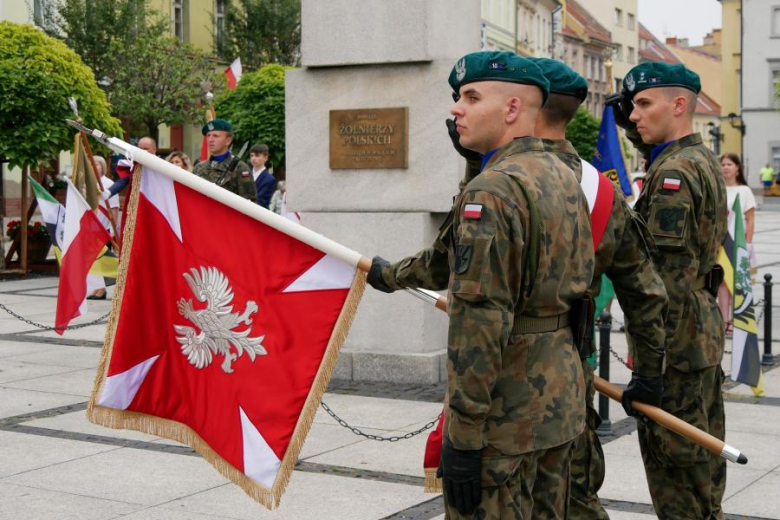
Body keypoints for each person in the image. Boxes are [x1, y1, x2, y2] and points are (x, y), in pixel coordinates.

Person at [373, 51, 595, 518]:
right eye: (459, 97)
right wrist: (389, 275)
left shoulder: (493, 191)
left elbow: (479, 324)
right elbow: (444, 261)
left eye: (472, 97)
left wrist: (465, 437)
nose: (456, 109)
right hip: (560, 403)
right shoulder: (563, 174)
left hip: (505, 415)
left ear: (512, 109)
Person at [530, 57, 668, 519]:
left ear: (526, 106)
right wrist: (648, 373)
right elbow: (644, 290)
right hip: (573, 370)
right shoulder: (601, 188)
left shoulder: (505, 184)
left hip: (509, 383)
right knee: (575, 495)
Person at [612, 61, 728, 520]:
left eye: (642, 104)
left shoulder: (674, 175)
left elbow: (666, 285)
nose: (633, 115)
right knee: (701, 464)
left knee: (677, 472)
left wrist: (651, 369)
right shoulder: (698, 159)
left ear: (678, 105)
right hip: (697, 334)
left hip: (676, 344)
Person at [718, 153, 757, 334]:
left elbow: (750, 219)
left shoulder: (744, 190)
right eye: (723, 164)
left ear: (737, 168)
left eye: (729, 164)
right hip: (720, 241)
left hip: (737, 240)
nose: (725, 167)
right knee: (722, 282)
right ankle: (724, 321)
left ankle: (736, 318)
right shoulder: (717, 189)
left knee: (737, 281)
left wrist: (748, 244)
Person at [191, 119, 256, 202]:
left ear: (228, 140)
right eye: (208, 135)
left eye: (215, 136)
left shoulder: (239, 168)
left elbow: (250, 204)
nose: (210, 140)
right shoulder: (199, 168)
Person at [89, 155, 120, 300]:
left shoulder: (108, 183)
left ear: (103, 166)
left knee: (102, 257)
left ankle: (102, 288)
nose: (95, 166)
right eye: (92, 163)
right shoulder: (87, 184)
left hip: (104, 227)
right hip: (90, 227)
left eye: (98, 164)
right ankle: (96, 287)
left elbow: (113, 207)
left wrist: (113, 228)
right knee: (92, 259)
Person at [249, 144, 277, 209]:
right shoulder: (246, 173)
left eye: (257, 155)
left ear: (265, 158)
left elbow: (261, 201)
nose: (253, 158)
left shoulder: (270, 179)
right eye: (251, 155)